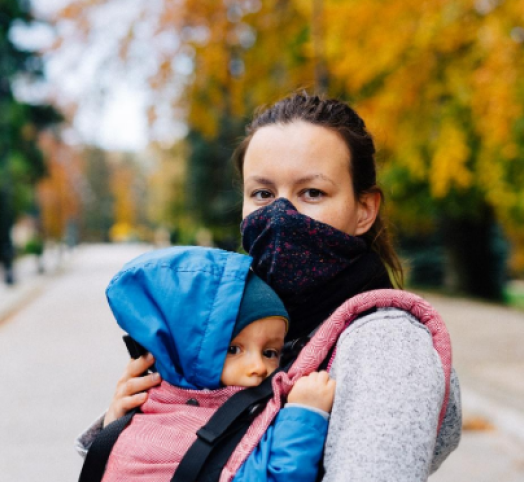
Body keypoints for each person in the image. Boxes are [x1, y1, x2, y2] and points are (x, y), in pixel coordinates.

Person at [78, 93, 462, 481]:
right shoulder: (243, 317)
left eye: (312, 192)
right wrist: (130, 426)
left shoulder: (386, 344)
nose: (280, 215)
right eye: (262, 194)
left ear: (364, 210)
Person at [80, 246, 335, 482]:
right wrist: (305, 415)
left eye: (270, 352)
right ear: (187, 352)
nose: (258, 367)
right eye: (233, 349)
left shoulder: (249, 405)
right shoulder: (155, 431)